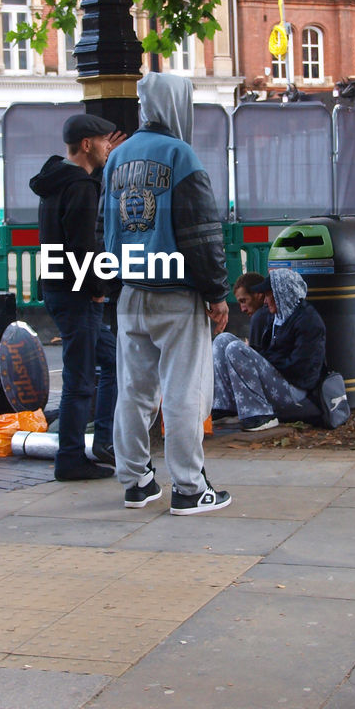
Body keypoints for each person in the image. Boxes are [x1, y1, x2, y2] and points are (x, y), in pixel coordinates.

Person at [105, 71, 231, 515]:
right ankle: (189, 488)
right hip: (176, 294)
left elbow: (108, 230)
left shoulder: (116, 159)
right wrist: (217, 293)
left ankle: (136, 481)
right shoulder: (181, 156)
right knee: (183, 392)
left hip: (131, 291)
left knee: (134, 392)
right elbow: (202, 235)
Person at [29, 112, 118, 481]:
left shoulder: (57, 181)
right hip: (77, 292)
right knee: (81, 379)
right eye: (103, 142)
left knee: (114, 360)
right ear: (87, 145)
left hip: (57, 287)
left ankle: (103, 440)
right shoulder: (80, 187)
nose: (108, 147)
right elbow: (84, 246)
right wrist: (98, 290)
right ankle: (70, 457)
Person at [212, 268, 326, 432]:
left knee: (236, 349)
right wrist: (259, 356)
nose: (265, 301)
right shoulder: (276, 318)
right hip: (280, 383)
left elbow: (301, 371)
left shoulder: (308, 321)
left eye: (267, 295)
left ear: (282, 293)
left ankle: (260, 415)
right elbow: (269, 355)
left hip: (298, 394)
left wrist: (258, 357)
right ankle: (225, 407)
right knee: (222, 340)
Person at [232, 272, 272, 353]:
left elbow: (255, 355)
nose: (242, 309)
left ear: (259, 295)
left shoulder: (259, 316)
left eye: (243, 301)